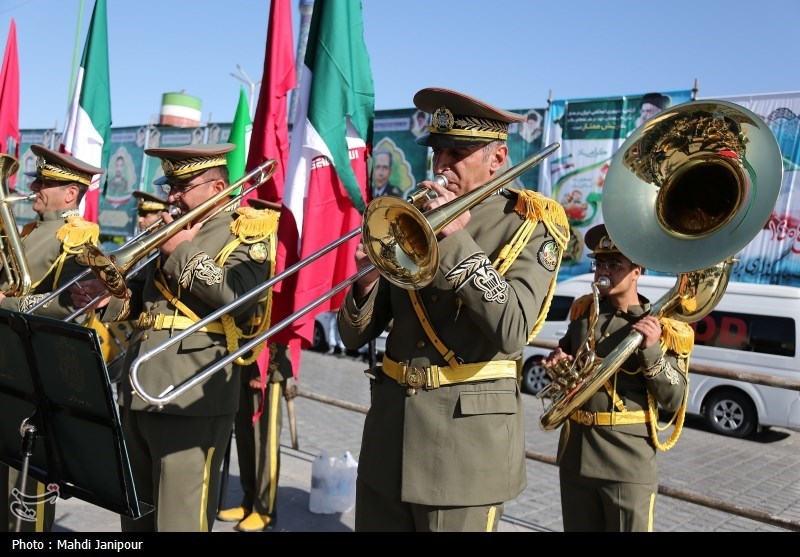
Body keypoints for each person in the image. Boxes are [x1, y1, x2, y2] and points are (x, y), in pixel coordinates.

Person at [336, 87, 570, 532]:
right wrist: (366, 279)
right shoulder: (412, 216)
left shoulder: (531, 224)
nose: (441, 166)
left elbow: (514, 329)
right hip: (390, 438)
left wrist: (456, 241)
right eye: (437, 152)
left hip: (465, 453)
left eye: (456, 153)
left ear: (497, 159)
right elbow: (353, 335)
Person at [70, 143, 276, 532]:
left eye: (182, 185)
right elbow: (141, 305)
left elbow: (240, 300)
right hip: (138, 387)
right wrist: (105, 298)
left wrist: (181, 249)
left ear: (216, 189)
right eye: (170, 185)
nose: (172, 195)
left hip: (192, 394)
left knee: (179, 522)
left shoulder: (247, 229)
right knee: (136, 519)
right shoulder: (172, 230)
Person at [543, 223, 693, 532]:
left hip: (625, 461)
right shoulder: (585, 313)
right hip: (575, 455)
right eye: (600, 262)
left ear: (637, 270)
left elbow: (673, 399)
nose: (604, 271)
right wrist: (558, 360)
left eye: (615, 264)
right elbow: (567, 355)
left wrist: (651, 350)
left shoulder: (664, 326)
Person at [0, 144, 103, 532]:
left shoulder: (77, 236)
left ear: (71, 194)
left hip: (36, 367)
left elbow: (69, 303)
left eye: (45, 182)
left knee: (27, 485)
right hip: (8, 356)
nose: (35, 187)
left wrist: (7, 303)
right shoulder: (28, 230)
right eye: (37, 180)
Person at [216, 197, 292, 532]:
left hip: (271, 356)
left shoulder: (283, 247)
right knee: (244, 431)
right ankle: (248, 498)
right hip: (244, 345)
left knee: (263, 434)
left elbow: (284, 305)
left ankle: (265, 506)